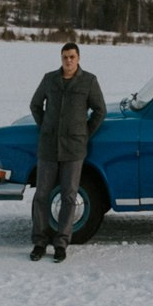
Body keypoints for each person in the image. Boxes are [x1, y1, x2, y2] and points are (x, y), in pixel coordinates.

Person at [28, 40, 106, 262]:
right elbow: (35, 105)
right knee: (42, 195)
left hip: (74, 148)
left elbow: (99, 111)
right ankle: (39, 242)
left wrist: (84, 133)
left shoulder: (89, 81)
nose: (68, 61)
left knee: (69, 196)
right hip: (49, 146)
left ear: (78, 58)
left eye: (72, 57)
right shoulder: (49, 79)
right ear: (61, 59)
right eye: (65, 57)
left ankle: (61, 243)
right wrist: (45, 127)